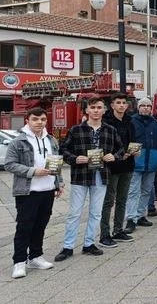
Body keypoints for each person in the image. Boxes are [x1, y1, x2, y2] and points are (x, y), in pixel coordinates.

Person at [56, 97, 124, 262]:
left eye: (99, 107)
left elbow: (121, 149)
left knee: (96, 212)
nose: (95, 110)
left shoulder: (110, 130)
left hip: (101, 175)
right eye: (92, 107)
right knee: (74, 212)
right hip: (81, 175)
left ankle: (89, 243)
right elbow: (63, 150)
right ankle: (68, 246)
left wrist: (113, 156)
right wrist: (74, 158)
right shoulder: (76, 130)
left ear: (104, 110)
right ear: (86, 110)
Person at [7, 108, 64, 279]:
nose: (39, 122)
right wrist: (32, 171)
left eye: (43, 119)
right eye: (35, 119)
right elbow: (10, 164)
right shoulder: (18, 142)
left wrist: (59, 183)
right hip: (28, 192)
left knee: (40, 226)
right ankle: (19, 262)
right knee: (24, 227)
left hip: (47, 191)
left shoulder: (51, 140)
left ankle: (36, 256)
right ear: (28, 121)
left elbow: (56, 163)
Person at [99, 93, 137, 249]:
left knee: (122, 199)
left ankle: (118, 230)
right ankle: (104, 234)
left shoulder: (130, 120)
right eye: (118, 103)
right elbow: (104, 144)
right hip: (112, 166)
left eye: (124, 103)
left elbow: (132, 140)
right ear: (112, 105)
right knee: (109, 200)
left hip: (128, 164)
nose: (121, 105)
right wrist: (117, 155)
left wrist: (134, 151)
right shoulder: (106, 122)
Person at [125, 97, 157, 233]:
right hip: (136, 163)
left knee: (147, 191)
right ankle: (131, 219)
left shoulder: (156, 124)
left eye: (148, 106)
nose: (146, 108)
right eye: (143, 105)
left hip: (152, 163)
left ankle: (141, 215)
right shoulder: (131, 121)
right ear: (138, 107)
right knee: (133, 191)